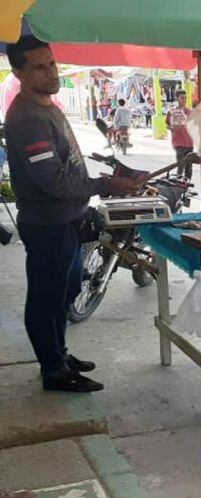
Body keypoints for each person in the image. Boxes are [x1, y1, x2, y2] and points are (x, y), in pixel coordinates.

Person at [4, 36, 139, 392]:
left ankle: (58, 354)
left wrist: (113, 177)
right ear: (19, 72)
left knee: (66, 291)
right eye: (39, 67)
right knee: (46, 297)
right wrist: (106, 185)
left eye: (51, 63)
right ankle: (53, 370)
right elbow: (54, 180)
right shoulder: (28, 118)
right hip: (48, 224)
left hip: (67, 220)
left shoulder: (47, 106)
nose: (51, 72)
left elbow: (69, 168)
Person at [166, 90, 195, 179]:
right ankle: (179, 185)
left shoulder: (190, 111)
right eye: (182, 98)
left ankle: (187, 186)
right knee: (180, 165)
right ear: (177, 98)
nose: (184, 100)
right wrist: (172, 128)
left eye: (185, 98)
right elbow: (167, 124)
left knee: (189, 167)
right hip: (178, 143)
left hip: (189, 142)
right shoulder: (172, 112)